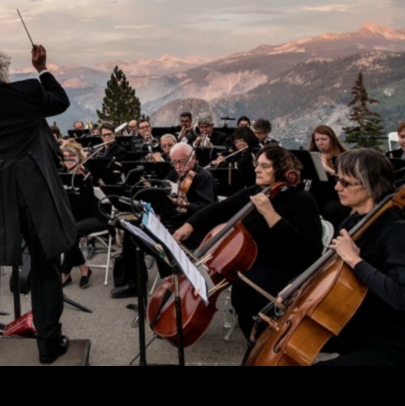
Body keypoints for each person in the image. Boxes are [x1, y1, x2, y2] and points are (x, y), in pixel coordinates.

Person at [0, 45, 76, 363]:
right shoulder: (28, 91)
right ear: (3, 73)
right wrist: (42, 68)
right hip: (35, 189)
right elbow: (61, 102)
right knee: (45, 264)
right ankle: (49, 345)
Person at [174, 145, 323, 337]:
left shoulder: (302, 200)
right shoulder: (256, 192)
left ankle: (260, 339)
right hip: (252, 261)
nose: (257, 170)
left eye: (265, 166)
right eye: (257, 165)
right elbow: (219, 209)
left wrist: (271, 214)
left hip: (284, 268)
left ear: (282, 170)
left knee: (244, 290)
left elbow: (310, 249)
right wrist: (189, 226)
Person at [317, 148, 405, 366]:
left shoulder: (398, 232)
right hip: (357, 330)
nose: (337, 187)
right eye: (337, 179)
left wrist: (355, 261)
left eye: (346, 183)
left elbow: (401, 297)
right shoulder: (351, 223)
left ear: (370, 186)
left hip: (396, 344)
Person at [111, 142, 215, 298]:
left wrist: (186, 204)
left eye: (181, 161)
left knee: (161, 238)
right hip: (172, 221)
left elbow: (207, 208)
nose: (178, 166)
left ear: (193, 158)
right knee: (132, 229)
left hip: (193, 228)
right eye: (174, 162)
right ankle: (135, 283)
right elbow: (164, 195)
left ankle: (172, 284)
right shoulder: (173, 174)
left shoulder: (204, 176)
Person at [58, 142, 98, 289]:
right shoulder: (59, 173)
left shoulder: (85, 173)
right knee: (67, 229)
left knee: (70, 231)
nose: (69, 159)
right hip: (72, 218)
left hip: (93, 216)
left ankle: (65, 272)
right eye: (65, 156)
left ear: (79, 157)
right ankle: (83, 268)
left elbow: (90, 203)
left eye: (72, 155)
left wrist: (85, 181)